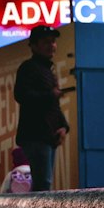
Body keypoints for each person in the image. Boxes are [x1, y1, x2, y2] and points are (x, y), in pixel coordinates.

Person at [13, 26, 69, 192]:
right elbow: (21, 95)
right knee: (42, 184)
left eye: (53, 42)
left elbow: (53, 106)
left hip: (47, 136)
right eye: (46, 42)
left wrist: (64, 127)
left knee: (44, 182)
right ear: (34, 45)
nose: (51, 45)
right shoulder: (29, 68)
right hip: (35, 135)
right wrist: (50, 95)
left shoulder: (47, 70)